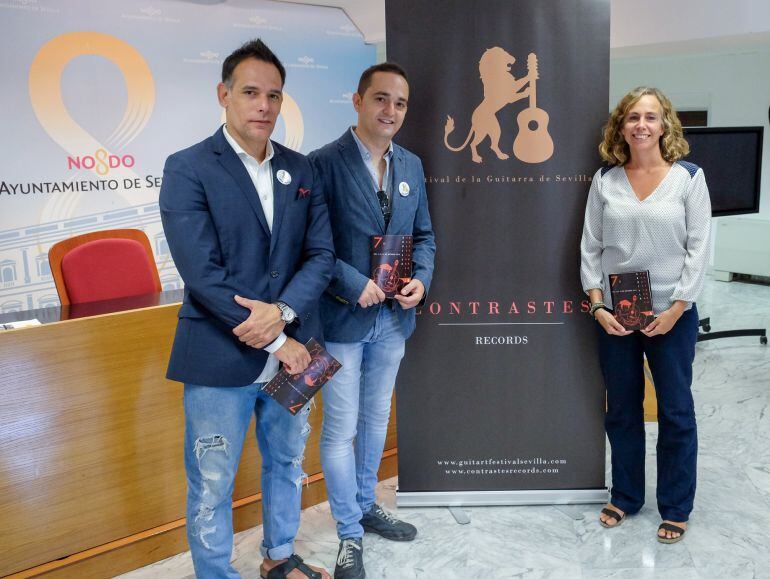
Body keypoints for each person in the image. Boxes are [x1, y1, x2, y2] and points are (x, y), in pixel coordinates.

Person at [159, 39, 334, 579]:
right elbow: (202, 274)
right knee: (212, 481)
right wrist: (277, 338)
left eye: (274, 95)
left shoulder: (301, 169)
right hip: (221, 355)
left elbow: (321, 255)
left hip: (297, 350)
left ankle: (280, 557)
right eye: (251, 92)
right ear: (224, 94)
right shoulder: (188, 167)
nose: (264, 105)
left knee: (288, 463)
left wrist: (283, 312)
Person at [309, 63, 436, 578]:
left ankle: (365, 503)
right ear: (358, 100)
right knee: (341, 427)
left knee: (376, 418)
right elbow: (310, 245)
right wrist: (350, 281)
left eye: (400, 103)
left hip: (393, 321)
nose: (390, 111)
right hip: (342, 319)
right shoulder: (322, 163)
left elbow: (424, 236)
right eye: (381, 99)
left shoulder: (411, 165)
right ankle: (348, 531)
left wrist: (421, 280)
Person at [580, 86, 711, 544]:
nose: (641, 125)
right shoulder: (605, 180)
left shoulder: (689, 178)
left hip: (672, 315)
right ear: (621, 126)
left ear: (664, 125)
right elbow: (591, 246)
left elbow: (699, 249)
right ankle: (626, 496)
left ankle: (675, 506)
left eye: (650, 117)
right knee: (621, 410)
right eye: (632, 117)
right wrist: (597, 305)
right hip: (616, 315)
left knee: (676, 412)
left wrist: (677, 308)